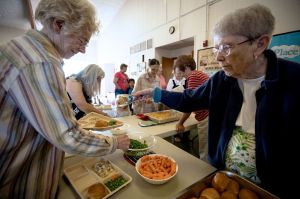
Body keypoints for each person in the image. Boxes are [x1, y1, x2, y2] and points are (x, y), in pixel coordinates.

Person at [133, 4, 299, 198]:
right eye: (217, 48)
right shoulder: (222, 80)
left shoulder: (293, 80)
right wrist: (155, 93)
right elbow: (190, 99)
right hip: (223, 181)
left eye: (226, 47)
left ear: (260, 44)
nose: (219, 57)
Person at [0, 0, 129, 198]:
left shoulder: (25, 49)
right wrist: (113, 143)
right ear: (59, 24)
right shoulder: (40, 61)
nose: (84, 50)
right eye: (82, 41)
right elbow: (67, 135)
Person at [174, 55, 209, 160]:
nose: (180, 73)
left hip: (207, 117)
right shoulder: (199, 74)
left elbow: (190, 104)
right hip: (211, 114)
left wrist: (180, 122)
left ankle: (206, 175)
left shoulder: (193, 76)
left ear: (185, 66)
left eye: (179, 69)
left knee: (205, 152)